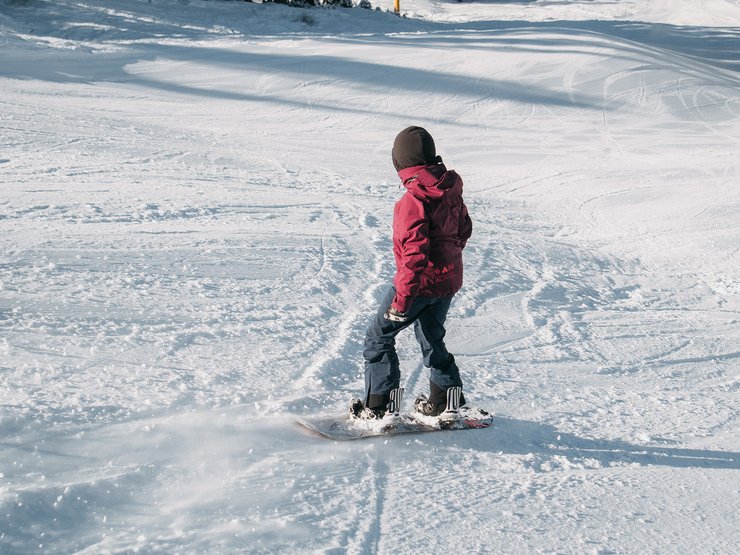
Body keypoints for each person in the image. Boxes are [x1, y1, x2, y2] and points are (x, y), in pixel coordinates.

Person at [350, 126, 472, 420]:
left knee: (378, 338)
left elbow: (414, 256)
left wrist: (402, 302)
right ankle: (446, 401)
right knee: (432, 338)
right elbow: (464, 230)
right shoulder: (450, 190)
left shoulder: (413, 200)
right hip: (447, 282)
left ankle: (379, 406)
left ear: (401, 163)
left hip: (418, 287)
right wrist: (447, 263)